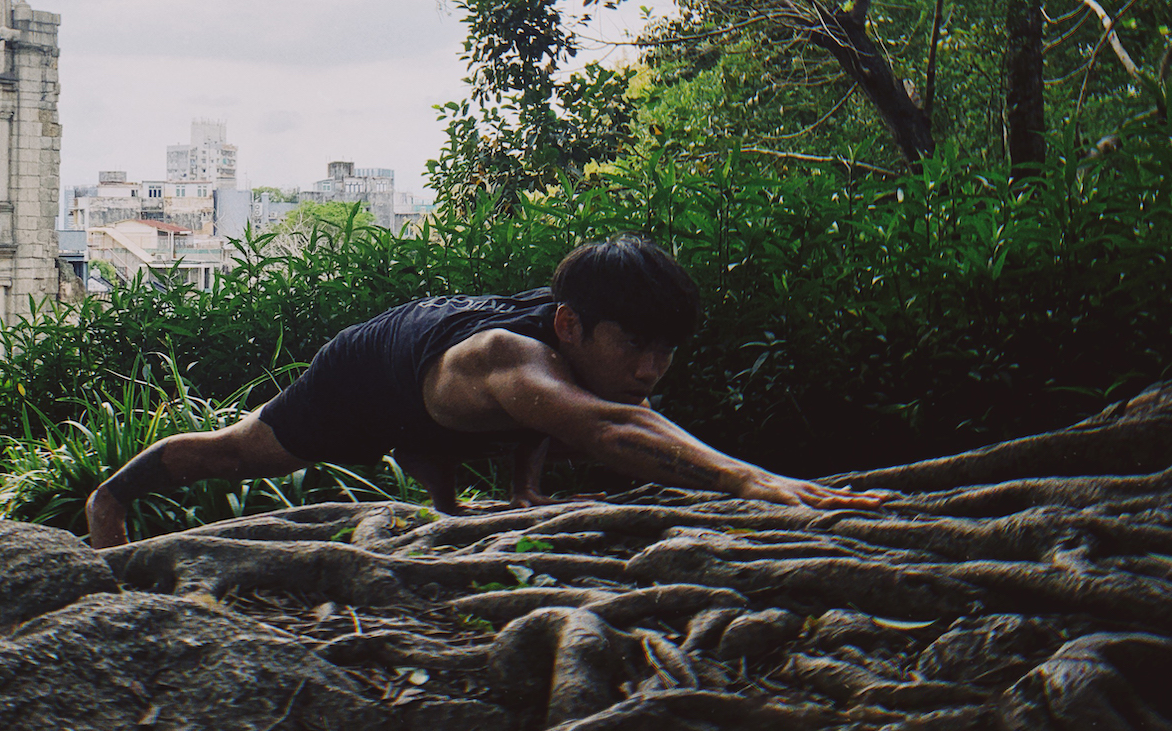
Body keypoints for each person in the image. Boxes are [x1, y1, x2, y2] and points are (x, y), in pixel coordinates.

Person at [85, 235, 887, 548]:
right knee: (237, 451)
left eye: (664, 350)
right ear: (572, 324)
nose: (649, 370)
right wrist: (750, 480)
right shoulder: (515, 359)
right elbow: (605, 427)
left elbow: (577, 407)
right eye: (633, 345)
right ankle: (109, 500)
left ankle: (494, 496)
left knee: (534, 423)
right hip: (366, 370)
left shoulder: (573, 340)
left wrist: (525, 489)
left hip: (431, 375)